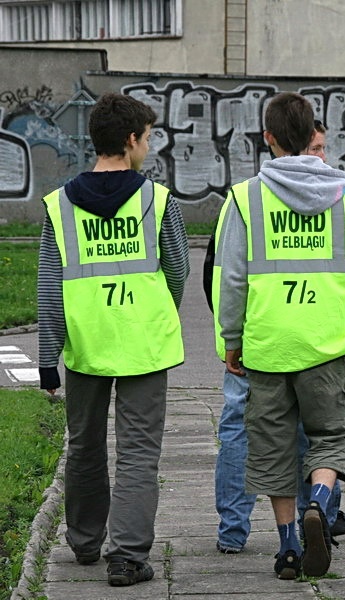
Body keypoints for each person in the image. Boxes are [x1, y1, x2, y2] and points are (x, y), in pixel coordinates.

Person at [215, 92, 345, 579]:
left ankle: (286, 547)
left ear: (268, 139)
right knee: (328, 435)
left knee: (273, 447)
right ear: (311, 139)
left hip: (267, 344)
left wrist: (231, 339)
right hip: (324, 340)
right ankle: (321, 505)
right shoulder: (341, 193)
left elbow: (233, 278)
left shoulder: (244, 198)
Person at [37, 92, 190, 587]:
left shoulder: (60, 206)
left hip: (84, 345)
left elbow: (49, 287)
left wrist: (46, 357)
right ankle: (126, 557)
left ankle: (83, 544)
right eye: (147, 138)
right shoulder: (157, 199)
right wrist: (155, 308)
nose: (148, 147)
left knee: (83, 445)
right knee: (139, 451)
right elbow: (179, 270)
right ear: (130, 140)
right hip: (143, 342)